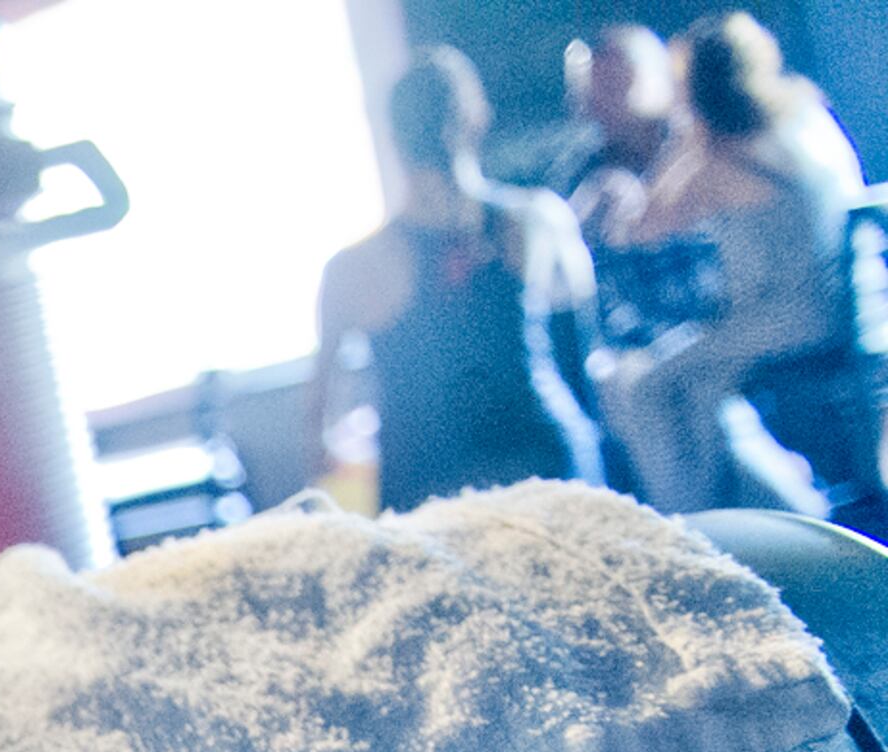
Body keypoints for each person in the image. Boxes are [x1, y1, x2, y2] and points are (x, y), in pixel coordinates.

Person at [599, 13, 868, 512]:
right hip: (838, 311)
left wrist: (683, 128)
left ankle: (692, 524)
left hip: (793, 319)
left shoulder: (732, 154)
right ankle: (787, 507)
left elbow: (646, 223)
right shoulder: (805, 114)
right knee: (700, 387)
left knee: (645, 384)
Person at [312, 49, 603, 511]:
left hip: (430, 488)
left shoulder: (352, 269)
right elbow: (586, 364)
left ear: (393, 136)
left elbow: (319, 432)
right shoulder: (541, 221)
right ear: (477, 117)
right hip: (547, 471)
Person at [550, 24, 676, 239]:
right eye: (592, 91)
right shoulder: (583, 171)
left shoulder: (693, 150)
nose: (601, 104)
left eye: (613, 86)